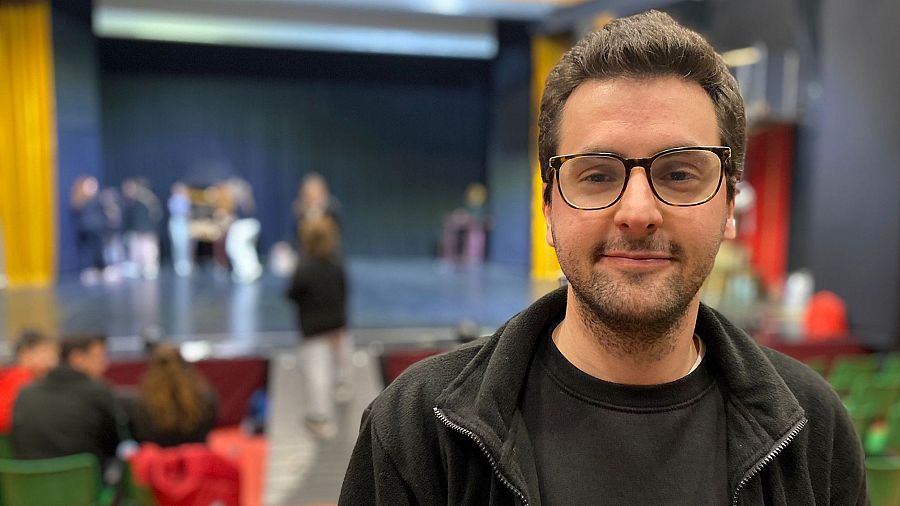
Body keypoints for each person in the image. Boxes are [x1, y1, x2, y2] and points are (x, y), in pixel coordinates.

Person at [340, 11, 866, 505]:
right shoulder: (416, 432)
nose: (638, 212)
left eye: (680, 174)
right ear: (547, 209)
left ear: (729, 205)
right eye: (597, 175)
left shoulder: (814, 430)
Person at [11, 334, 122, 467]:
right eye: (98, 357)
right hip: (84, 482)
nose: (105, 363)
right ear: (77, 358)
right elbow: (115, 442)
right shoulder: (98, 391)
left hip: (29, 482)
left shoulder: (25, 393)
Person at [286, 216, 350, 439]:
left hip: (313, 331)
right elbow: (344, 294)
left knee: (317, 375)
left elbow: (291, 294)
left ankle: (320, 418)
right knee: (337, 365)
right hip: (336, 327)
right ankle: (342, 386)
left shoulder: (303, 269)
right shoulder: (337, 265)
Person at [129, 343, 218, 447]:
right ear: (185, 366)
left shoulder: (140, 403)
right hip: (195, 460)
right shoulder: (206, 399)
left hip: (157, 461)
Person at [0, 330, 58, 434]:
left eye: (54, 353)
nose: (53, 358)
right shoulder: (21, 379)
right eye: (44, 351)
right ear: (24, 354)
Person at [168, 182, 194, 277]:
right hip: (177, 222)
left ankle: (185, 263)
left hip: (184, 222)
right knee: (177, 243)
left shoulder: (186, 200)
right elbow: (176, 211)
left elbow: (188, 212)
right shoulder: (173, 199)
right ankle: (178, 263)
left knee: (185, 243)